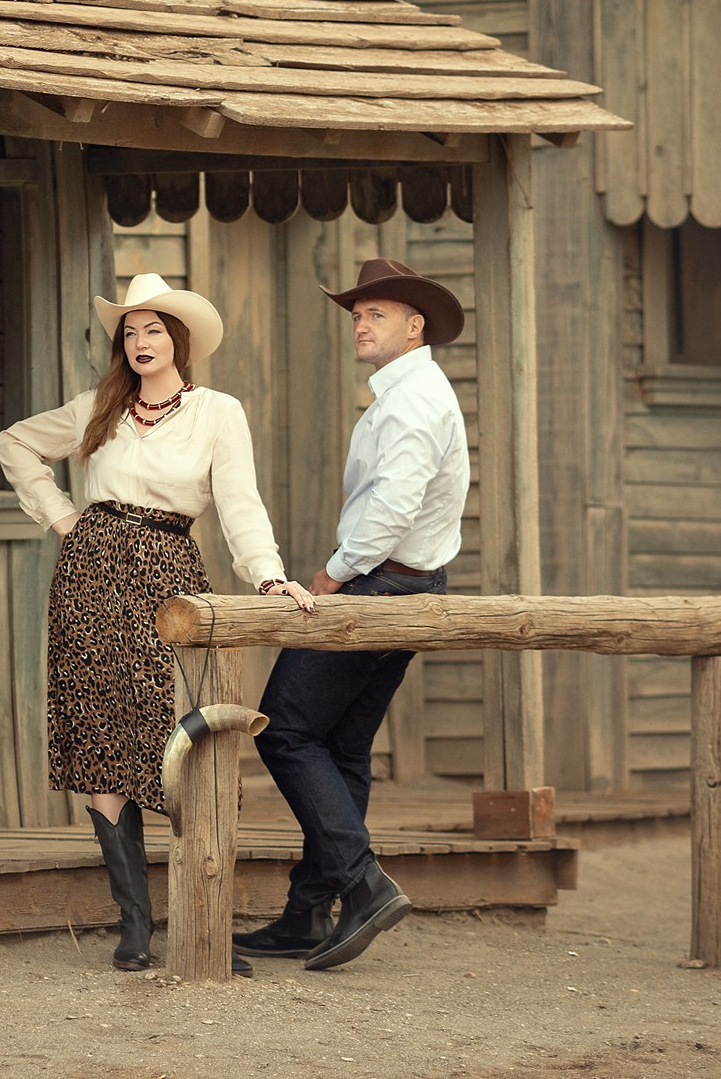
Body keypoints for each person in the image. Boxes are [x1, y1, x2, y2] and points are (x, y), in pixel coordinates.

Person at [0, 272, 310, 975]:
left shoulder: (216, 412)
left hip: (168, 575)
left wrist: (265, 573)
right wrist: (62, 517)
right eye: (130, 331)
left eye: (153, 329)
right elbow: (14, 443)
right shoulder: (97, 407)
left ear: (180, 340)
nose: (140, 341)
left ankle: (204, 919)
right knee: (105, 731)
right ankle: (133, 926)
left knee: (183, 732)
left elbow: (238, 500)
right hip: (89, 574)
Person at [237, 257, 471, 973]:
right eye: (356, 314)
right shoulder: (411, 392)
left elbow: (394, 506)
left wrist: (332, 575)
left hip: (380, 586)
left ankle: (362, 885)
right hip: (408, 586)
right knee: (338, 748)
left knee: (283, 731)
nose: (360, 324)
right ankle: (308, 913)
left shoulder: (411, 400)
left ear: (414, 324)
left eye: (375, 313)